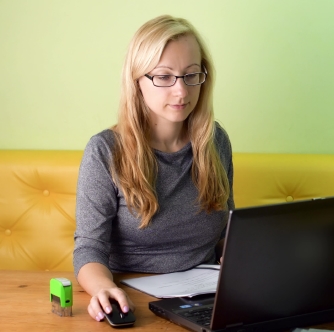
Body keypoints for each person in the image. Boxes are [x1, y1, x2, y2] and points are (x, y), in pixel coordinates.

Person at [73, 15, 234, 322]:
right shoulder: (105, 151)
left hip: (207, 298)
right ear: (137, 80)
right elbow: (89, 248)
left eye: (191, 75)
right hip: (132, 300)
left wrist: (244, 256)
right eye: (163, 76)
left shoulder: (216, 141)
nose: (181, 92)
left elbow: (227, 232)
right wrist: (104, 289)